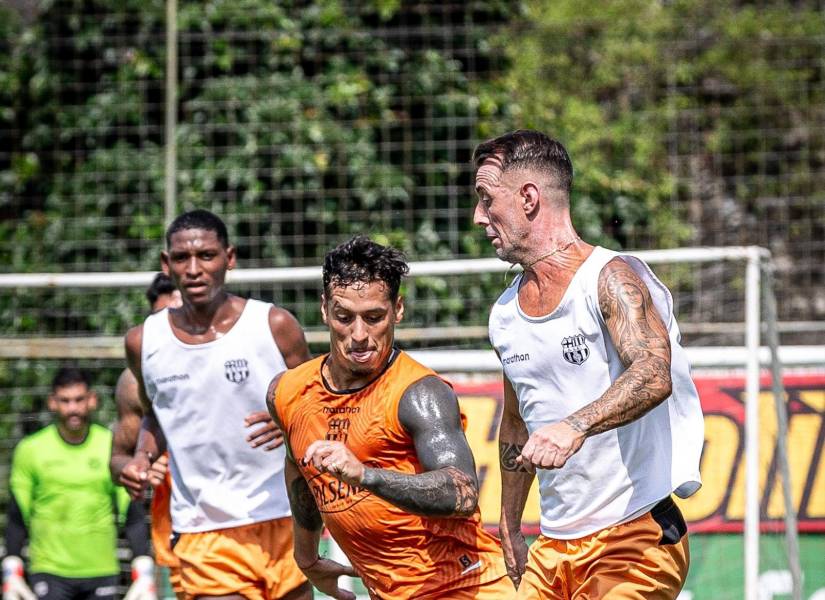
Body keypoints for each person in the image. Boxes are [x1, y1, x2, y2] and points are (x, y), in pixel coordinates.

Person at [472, 129, 704, 599]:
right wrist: (510, 524)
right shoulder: (503, 314)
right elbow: (517, 425)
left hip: (635, 535)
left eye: (485, 199)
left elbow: (653, 373)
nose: (479, 217)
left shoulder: (611, 277)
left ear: (529, 198)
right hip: (553, 548)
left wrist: (574, 426)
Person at [267, 235, 512, 600]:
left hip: (466, 586)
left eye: (374, 317)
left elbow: (462, 493)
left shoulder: (420, 393)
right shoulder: (287, 392)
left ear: (397, 309)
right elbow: (298, 469)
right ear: (324, 310)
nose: (359, 336)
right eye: (344, 317)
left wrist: (365, 476)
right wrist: (306, 556)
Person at [117, 209, 313, 600]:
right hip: (204, 528)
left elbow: (318, 401)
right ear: (165, 263)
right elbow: (157, 414)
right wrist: (141, 456)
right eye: (181, 258)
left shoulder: (273, 325)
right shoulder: (144, 341)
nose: (193, 269)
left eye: (206, 256)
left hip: (283, 516)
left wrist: (291, 417)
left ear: (229, 257)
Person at [3, 367, 151, 600]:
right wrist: (11, 565)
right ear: (53, 402)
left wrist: (143, 563)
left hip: (101, 570)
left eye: (79, 399)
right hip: (49, 570)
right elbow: (17, 514)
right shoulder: (30, 450)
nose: (73, 408)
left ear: (92, 400)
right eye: (65, 400)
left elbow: (131, 510)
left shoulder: (112, 447)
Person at [109, 273, 182, 598]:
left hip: (247, 517)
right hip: (176, 531)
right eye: (160, 320)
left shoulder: (237, 361)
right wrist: (137, 467)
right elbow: (117, 459)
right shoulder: (134, 383)